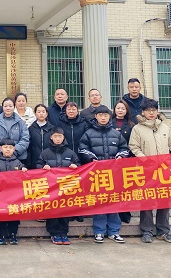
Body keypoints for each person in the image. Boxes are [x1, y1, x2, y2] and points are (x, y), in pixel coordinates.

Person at [129, 98, 171, 244]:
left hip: (164, 170)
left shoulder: (165, 128)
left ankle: (163, 231)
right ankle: (147, 231)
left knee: (164, 200)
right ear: (143, 112)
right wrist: (145, 160)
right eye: (148, 110)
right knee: (147, 201)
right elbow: (134, 147)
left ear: (157, 111)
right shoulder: (137, 129)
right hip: (146, 170)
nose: (151, 113)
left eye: (154, 110)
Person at [78, 105, 129, 244]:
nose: (103, 118)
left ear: (109, 117)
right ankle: (99, 231)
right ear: (96, 117)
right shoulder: (88, 133)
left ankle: (114, 231)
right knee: (99, 201)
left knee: (113, 201)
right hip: (97, 174)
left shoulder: (116, 133)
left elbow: (124, 148)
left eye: (105, 115)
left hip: (114, 174)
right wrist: (91, 158)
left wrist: (120, 156)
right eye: (100, 115)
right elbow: (82, 149)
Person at [36, 127, 80, 245]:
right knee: (51, 210)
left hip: (65, 187)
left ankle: (64, 233)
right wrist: (43, 167)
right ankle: (54, 233)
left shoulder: (70, 153)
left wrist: (75, 166)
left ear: (63, 137)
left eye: (60, 136)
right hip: (50, 188)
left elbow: (78, 165)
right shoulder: (45, 153)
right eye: (55, 136)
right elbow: (38, 165)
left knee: (64, 210)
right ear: (51, 137)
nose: (58, 139)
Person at [0, 138, 27, 245]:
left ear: (14, 149)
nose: (7, 150)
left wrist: (24, 170)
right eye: (5, 147)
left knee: (14, 215)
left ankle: (13, 234)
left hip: (15, 196)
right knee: (1, 215)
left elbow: (25, 174)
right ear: (0, 148)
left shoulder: (17, 162)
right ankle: (2, 235)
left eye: (10, 147)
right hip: (1, 195)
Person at [112, 99, 135, 224]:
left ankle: (125, 212)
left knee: (125, 188)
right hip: (110, 161)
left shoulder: (131, 125)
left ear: (126, 111)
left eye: (123, 108)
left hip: (126, 161)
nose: (120, 110)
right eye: (118, 108)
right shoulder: (108, 123)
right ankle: (113, 211)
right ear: (114, 109)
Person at [0, 97, 30, 163]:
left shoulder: (20, 122)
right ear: (2, 107)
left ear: (14, 107)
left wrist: (14, 151)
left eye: (10, 106)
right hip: (0, 158)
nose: (8, 108)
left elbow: (25, 138)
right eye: (5, 106)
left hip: (18, 158)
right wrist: (1, 151)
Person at [26, 104, 55, 170]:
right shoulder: (31, 129)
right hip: (34, 160)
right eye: (39, 112)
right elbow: (29, 147)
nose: (41, 114)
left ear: (46, 114)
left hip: (49, 160)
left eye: (43, 112)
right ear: (35, 114)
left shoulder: (52, 128)